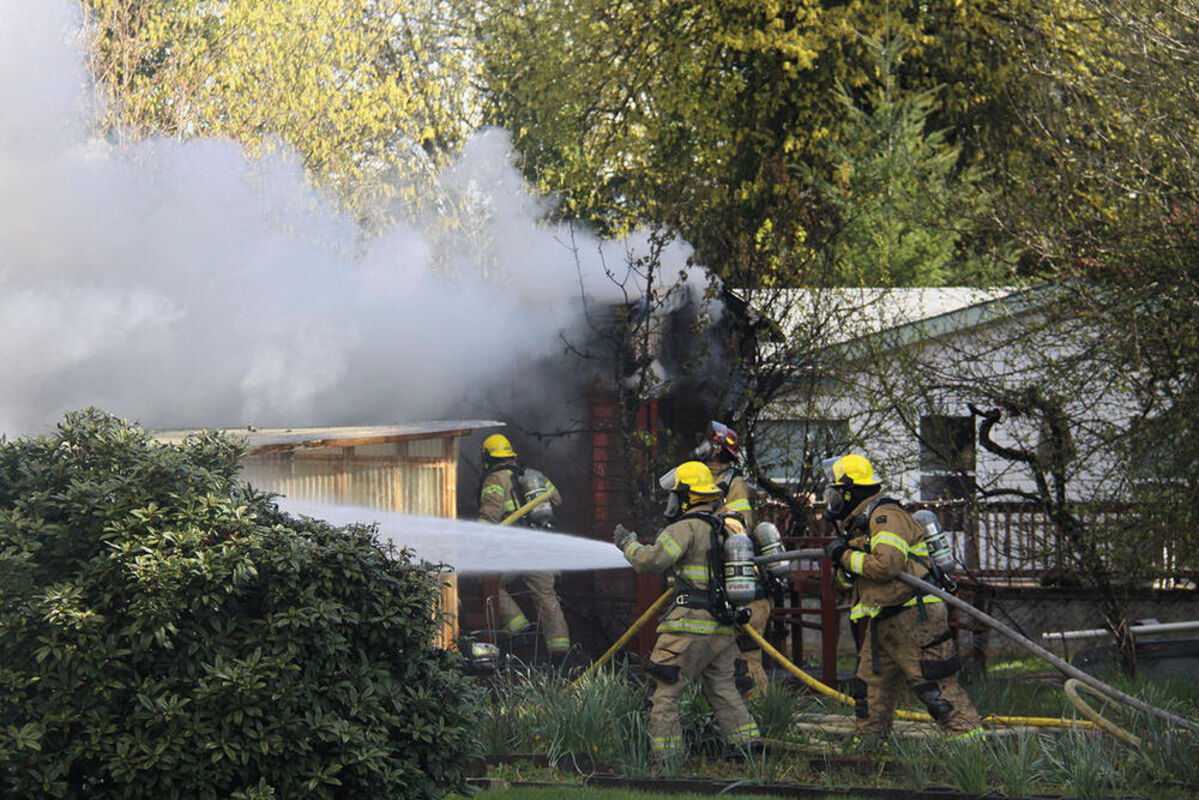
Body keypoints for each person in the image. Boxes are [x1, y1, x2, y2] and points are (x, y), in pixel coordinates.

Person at [820, 453, 983, 740]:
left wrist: (844, 555)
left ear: (850, 492)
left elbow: (887, 565)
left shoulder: (887, 517)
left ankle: (970, 750)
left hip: (914, 618)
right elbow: (854, 580)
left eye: (835, 492)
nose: (831, 499)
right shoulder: (863, 524)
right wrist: (844, 559)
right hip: (883, 621)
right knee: (870, 692)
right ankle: (870, 752)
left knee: (935, 689)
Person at [612, 461, 761, 763]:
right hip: (720, 627)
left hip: (688, 625)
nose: (671, 501)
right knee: (722, 688)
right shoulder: (723, 527)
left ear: (687, 497)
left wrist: (627, 544)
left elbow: (650, 561)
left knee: (663, 690)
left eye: (675, 495)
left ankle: (666, 761)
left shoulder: (684, 528)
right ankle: (749, 749)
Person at [477, 433, 572, 664]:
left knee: (491, 583)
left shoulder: (495, 480)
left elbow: (490, 514)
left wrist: (474, 539)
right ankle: (560, 655)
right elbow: (557, 499)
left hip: (514, 548)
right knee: (546, 597)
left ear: (488, 458)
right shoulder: (533, 475)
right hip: (540, 546)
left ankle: (517, 627)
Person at [692, 420, 769, 696]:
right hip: (722, 586)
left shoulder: (733, 483)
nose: (701, 447)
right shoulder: (705, 478)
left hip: (745, 589)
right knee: (724, 660)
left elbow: (740, 524)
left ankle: (761, 715)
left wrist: (710, 518)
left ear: (717, 450)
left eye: (708, 442)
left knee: (747, 660)